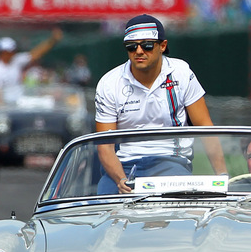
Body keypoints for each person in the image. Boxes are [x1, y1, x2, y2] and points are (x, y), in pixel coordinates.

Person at [94, 14, 225, 193]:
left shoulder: (181, 73)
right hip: (124, 165)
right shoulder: (109, 83)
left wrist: (222, 176)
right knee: (103, 212)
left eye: (147, 45)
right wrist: (121, 180)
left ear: (162, 46)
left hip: (171, 162)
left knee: (180, 216)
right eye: (131, 47)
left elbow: (205, 128)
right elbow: (105, 146)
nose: (139, 51)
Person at [0, 29, 63, 95]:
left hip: (17, 100)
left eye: (13, 51)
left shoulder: (16, 60)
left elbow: (35, 54)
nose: (12, 53)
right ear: (2, 52)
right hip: (5, 104)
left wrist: (53, 40)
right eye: (9, 51)